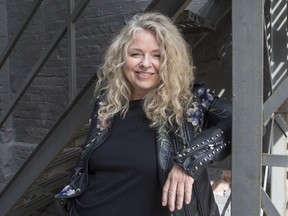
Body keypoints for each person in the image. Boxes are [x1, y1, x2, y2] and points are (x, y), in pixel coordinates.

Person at [56, 11, 232, 216]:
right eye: (136, 53)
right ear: (122, 58)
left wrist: (188, 162)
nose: (145, 63)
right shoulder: (107, 104)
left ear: (170, 61)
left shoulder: (191, 104)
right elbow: (87, 170)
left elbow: (248, 124)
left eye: (157, 55)